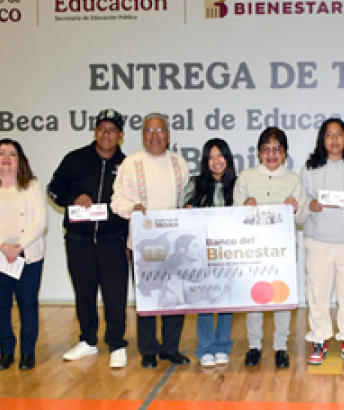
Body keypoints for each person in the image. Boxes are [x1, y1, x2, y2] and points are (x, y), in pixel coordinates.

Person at [47, 109, 130, 369]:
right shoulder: (75, 159)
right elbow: (53, 190)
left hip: (113, 240)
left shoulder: (127, 165)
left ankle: (116, 343)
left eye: (112, 130)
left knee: (115, 294)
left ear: (120, 135)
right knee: (84, 292)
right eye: (102, 129)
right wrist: (73, 199)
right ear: (95, 132)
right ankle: (87, 340)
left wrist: (130, 241)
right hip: (79, 239)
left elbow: (133, 204)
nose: (106, 134)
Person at [111, 113, 191, 369]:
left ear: (168, 135)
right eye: (149, 130)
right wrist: (132, 208)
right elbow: (116, 200)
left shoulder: (179, 163)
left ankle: (170, 348)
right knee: (148, 296)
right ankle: (148, 350)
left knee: (174, 296)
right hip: (144, 244)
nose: (154, 136)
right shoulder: (130, 163)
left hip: (174, 244)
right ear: (143, 134)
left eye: (159, 130)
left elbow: (187, 197)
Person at [300, 118, 344, 366]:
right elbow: (301, 197)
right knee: (317, 293)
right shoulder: (310, 167)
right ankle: (319, 339)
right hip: (318, 240)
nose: (334, 140)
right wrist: (309, 203)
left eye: (338, 134)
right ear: (322, 139)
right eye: (329, 135)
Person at [234, 127, 307, 369]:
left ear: (285, 153)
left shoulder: (293, 180)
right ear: (259, 152)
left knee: (281, 296)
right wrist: (244, 207)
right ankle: (254, 346)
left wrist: (295, 208)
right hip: (253, 250)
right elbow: (233, 216)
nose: (271, 154)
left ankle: (280, 347)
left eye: (277, 149)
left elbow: (303, 219)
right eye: (266, 149)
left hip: (283, 252)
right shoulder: (246, 178)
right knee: (255, 298)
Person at [0, 139, 47, 371]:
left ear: (20, 160)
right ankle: (5, 351)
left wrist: (19, 246)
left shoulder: (32, 186)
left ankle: (27, 353)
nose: (6, 158)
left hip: (28, 254)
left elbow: (40, 221)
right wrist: (3, 246)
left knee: (28, 304)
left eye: (12, 154)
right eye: (1, 153)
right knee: (1, 306)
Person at [184, 138, 238, 367]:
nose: (216, 161)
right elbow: (183, 216)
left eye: (220, 155)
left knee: (226, 302)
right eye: (211, 157)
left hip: (229, 254)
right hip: (202, 254)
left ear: (228, 159)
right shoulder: (194, 184)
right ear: (205, 161)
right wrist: (185, 211)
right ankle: (205, 347)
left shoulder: (238, 184)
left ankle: (223, 345)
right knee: (204, 301)